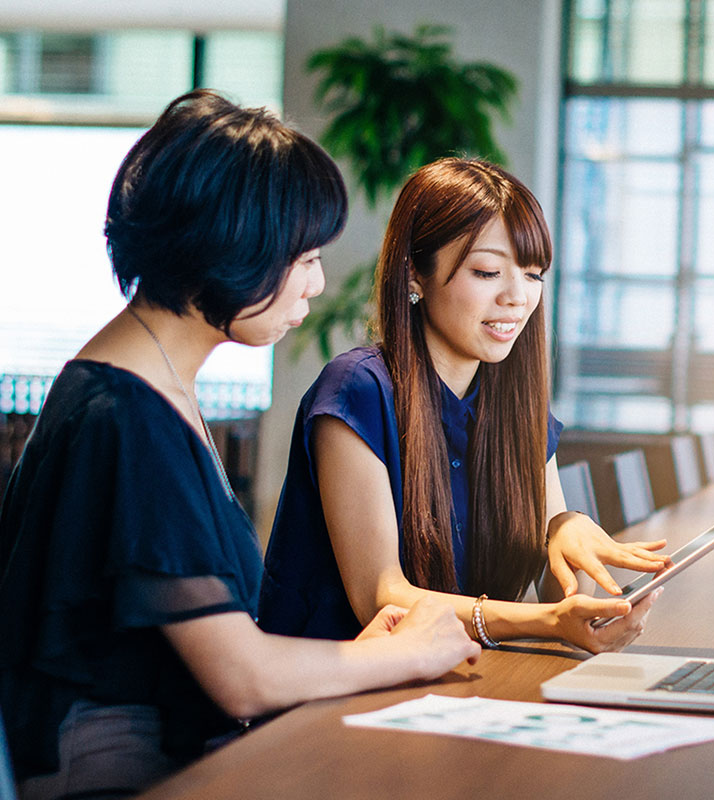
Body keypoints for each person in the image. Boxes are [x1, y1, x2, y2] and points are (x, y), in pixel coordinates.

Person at [0, 92, 479, 800]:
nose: (315, 283)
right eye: (305, 256)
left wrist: (366, 654)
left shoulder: (140, 384)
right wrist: (409, 653)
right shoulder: (126, 416)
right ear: (234, 247)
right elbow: (242, 677)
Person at [260, 157, 669, 651]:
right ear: (414, 272)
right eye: (488, 271)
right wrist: (543, 621)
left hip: (458, 684)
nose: (517, 297)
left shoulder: (516, 406)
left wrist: (568, 530)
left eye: (534, 274)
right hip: (332, 700)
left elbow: (567, 601)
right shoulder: (358, 390)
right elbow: (381, 598)